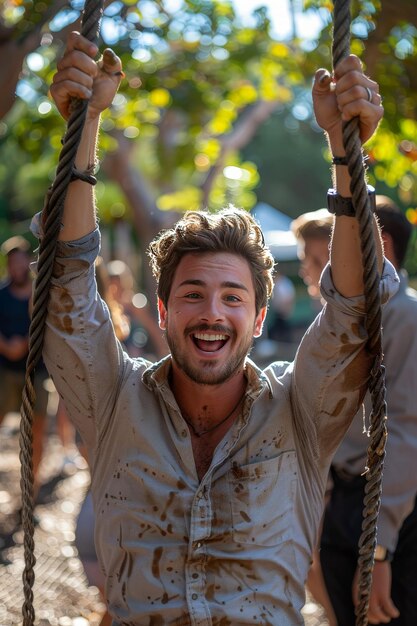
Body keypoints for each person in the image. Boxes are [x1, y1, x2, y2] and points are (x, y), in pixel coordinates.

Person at [32, 31, 396, 625]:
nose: (211, 313)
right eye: (193, 295)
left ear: (257, 319)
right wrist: (84, 124)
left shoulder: (300, 411)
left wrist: (343, 144)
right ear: (163, 311)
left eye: (232, 297)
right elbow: (69, 284)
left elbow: (353, 309)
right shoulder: (113, 402)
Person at [293, 199, 417, 625]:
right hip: (348, 501)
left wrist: (379, 550)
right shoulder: (342, 325)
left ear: (378, 247)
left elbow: (405, 432)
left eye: (318, 258)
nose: (312, 273)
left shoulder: (405, 318)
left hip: (389, 511)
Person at [0, 235, 49, 502]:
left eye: (21, 262)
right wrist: (7, 346)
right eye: (12, 263)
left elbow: (47, 327)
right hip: (5, 371)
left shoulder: (40, 294)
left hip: (37, 372)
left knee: (36, 432)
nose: (17, 268)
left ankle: (31, 490)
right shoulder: (1, 294)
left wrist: (27, 344)